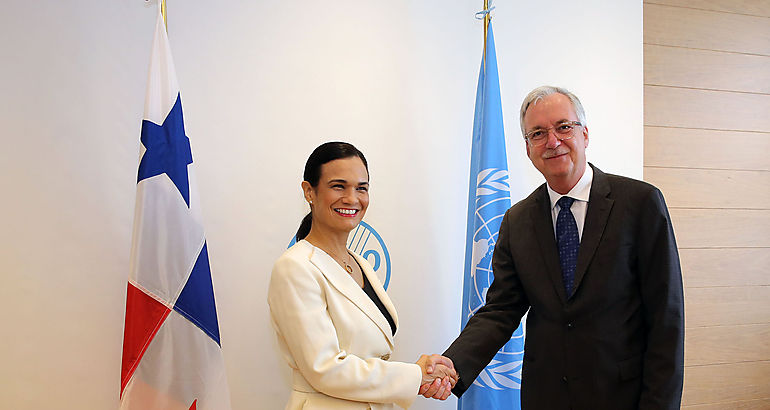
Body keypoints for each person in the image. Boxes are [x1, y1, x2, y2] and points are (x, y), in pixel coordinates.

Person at [422, 86, 685, 409]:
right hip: (545, 398)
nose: (552, 141)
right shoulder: (517, 220)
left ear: (585, 134)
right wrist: (454, 364)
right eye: (538, 133)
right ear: (528, 148)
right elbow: (500, 310)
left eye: (563, 127)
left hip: (623, 397)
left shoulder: (640, 203)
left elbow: (666, 319)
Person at [268, 141, 456, 409]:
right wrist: (416, 374)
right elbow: (325, 369)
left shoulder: (359, 263)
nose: (352, 198)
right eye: (338, 186)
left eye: (361, 188)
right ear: (309, 191)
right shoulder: (295, 267)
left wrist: (424, 373)